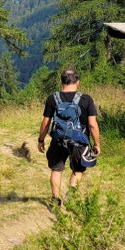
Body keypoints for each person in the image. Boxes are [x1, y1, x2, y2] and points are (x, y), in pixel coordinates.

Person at [37, 67, 101, 208]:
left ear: (62, 82)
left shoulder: (53, 98)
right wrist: (97, 144)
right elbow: (92, 125)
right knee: (78, 170)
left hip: (58, 141)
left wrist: (41, 140)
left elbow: (45, 123)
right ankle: (71, 195)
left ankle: (55, 201)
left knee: (56, 169)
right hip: (79, 141)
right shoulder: (86, 99)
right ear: (77, 82)